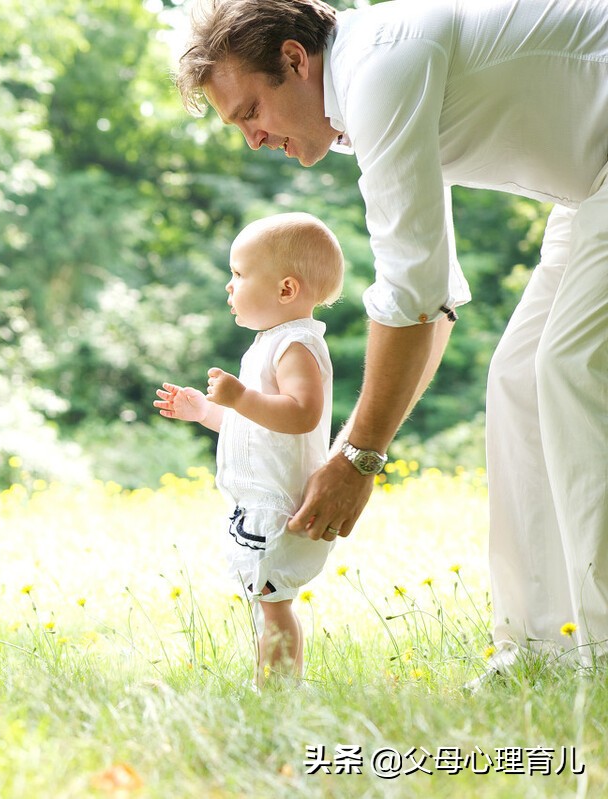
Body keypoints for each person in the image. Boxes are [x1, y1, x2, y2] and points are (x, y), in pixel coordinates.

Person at [175, 0, 608, 681]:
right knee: (518, 379)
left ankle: (604, 650)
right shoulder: (365, 91)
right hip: (590, 188)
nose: (252, 138)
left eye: (251, 111)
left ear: (294, 60)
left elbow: (411, 293)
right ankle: (541, 648)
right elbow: (434, 304)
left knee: (570, 367)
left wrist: (359, 457)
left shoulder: (380, 69)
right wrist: (362, 453)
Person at [154, 212, 344, 687]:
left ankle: (277, 690)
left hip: (278, 505)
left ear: (285, 290)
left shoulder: (296, 346)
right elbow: (255, 427)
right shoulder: (268, 344)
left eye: (239, 275)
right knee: (265, 600)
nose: (229, 286)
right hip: (254, 503)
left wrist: (240, 397)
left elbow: (302, 413)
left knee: (273, 601)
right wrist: (206, 412)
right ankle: (272, 683)